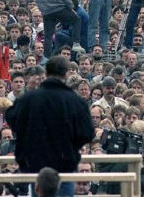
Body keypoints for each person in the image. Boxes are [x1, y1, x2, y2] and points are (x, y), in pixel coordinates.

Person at [6, 56, 94, 196]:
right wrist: (71, 144)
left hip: (35, 162)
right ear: (66, 74)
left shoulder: (29, 99)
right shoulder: (75, 101)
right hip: (65, 162)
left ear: (46, 74)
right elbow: (88, 132)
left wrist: (28, 136)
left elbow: (11, 116)